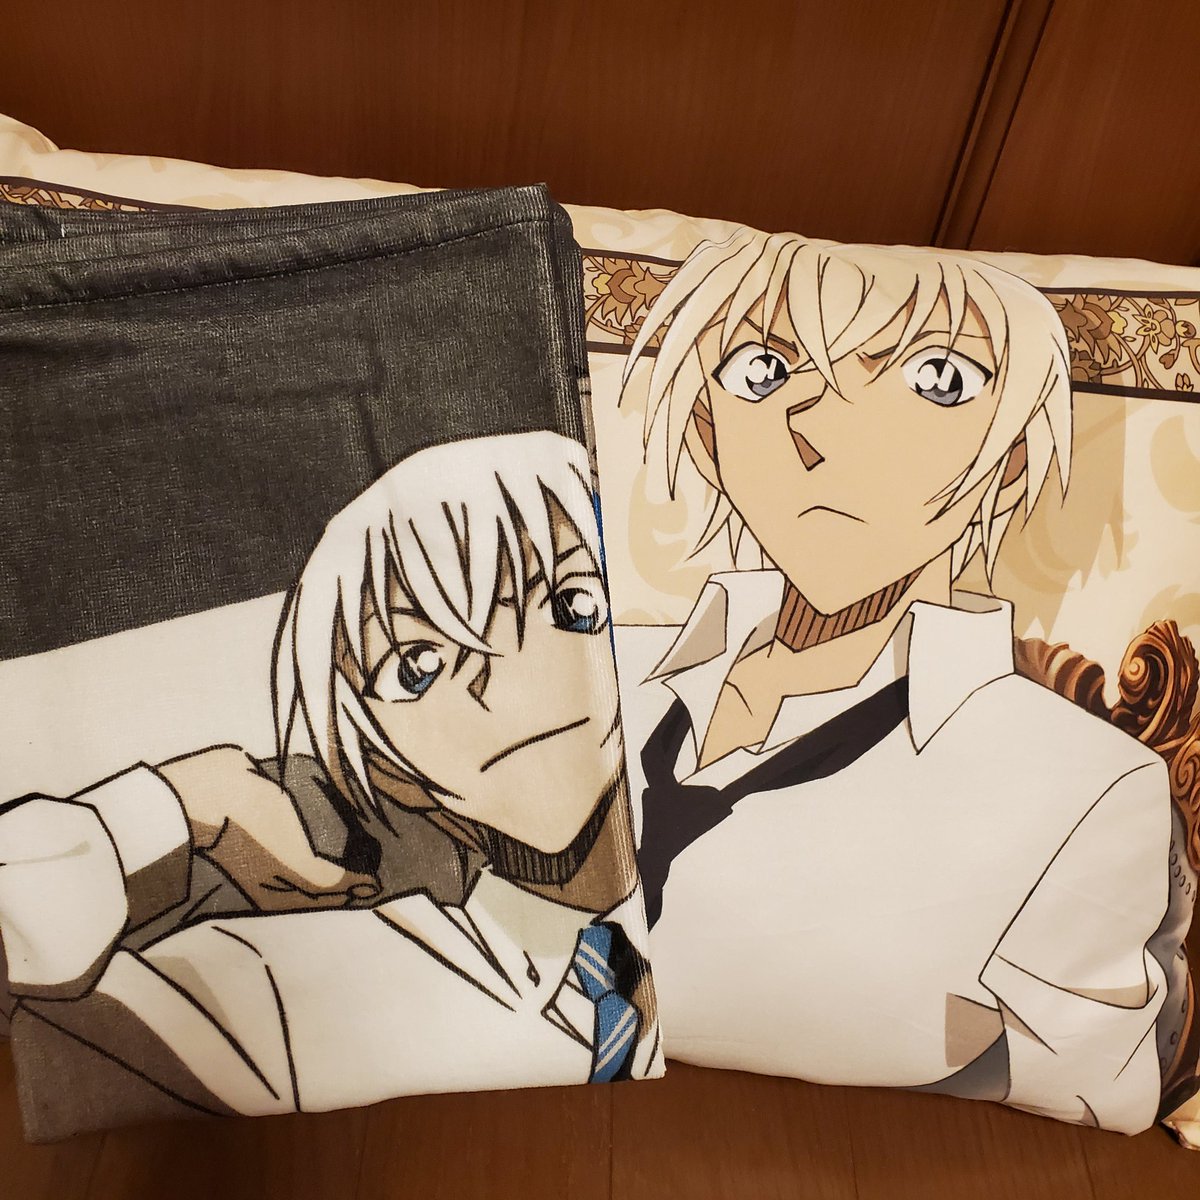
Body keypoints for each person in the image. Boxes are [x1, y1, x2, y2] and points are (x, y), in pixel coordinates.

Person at [614, 230, 1177, 1134]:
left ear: (1011, 458)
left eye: (937, 380)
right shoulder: (590, 671)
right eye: (764, 371)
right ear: (707, 432)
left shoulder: (1090, 787)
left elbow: (1084, 1082)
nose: (819, 426)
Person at [0, 430, 658, 1131]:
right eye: (416, 666)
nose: (497, 677)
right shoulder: (302, 985)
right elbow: (29, 966)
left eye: (571, 605)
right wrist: (185, 803)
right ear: (383, 754)